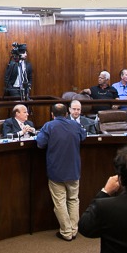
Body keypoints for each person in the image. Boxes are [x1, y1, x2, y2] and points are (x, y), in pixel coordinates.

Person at [37, 103, 85, 242]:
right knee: (73, 200)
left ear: (52, 115)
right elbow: (83, 137)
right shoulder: (75, 125)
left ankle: (66, 232)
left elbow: (40, 144)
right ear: (66, 113)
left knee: (60, 202)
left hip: (56, 171)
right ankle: (74, 230)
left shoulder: (49, 126)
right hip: (74, 170)